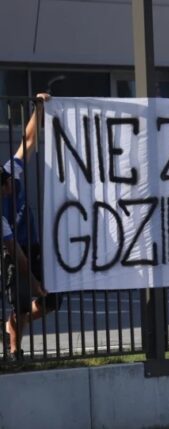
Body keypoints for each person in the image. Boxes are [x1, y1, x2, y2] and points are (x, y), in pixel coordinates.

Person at [2, 93, 60, 361]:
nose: (12, 187)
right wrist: (35, 285)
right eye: (7, 187)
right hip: (13, 251)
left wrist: (39, 108)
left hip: (32, 244)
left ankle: (10, 325)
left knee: (52, 300)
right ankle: (15, 352)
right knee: (22, 302)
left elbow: (27, 140)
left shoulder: (11, 171)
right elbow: (17, 255)